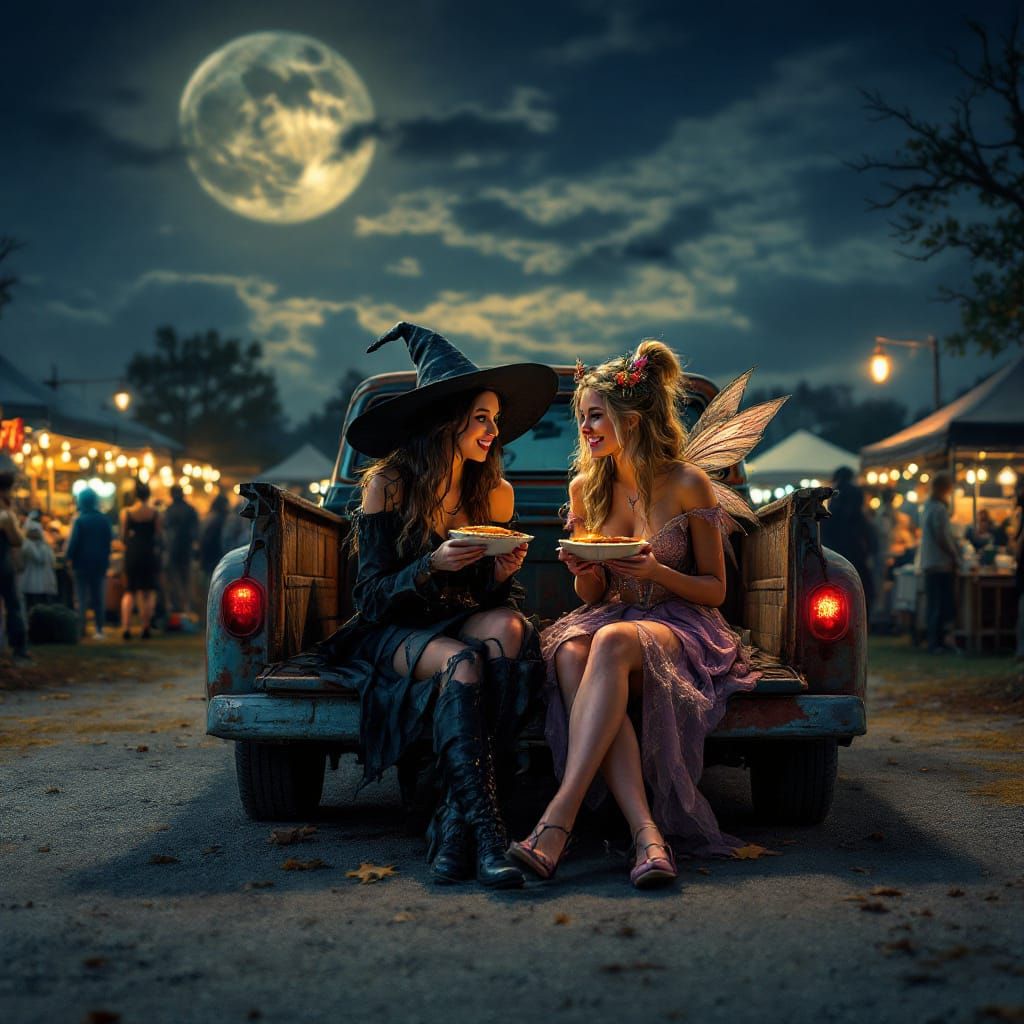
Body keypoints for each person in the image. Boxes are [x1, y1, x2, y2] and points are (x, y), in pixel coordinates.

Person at [259, 322, 558, 889]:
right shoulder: (388, 486)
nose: (495, 431)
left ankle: (452, 827)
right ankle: (490, 835)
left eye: (496, 419)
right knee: (461, 663)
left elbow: (491, 601)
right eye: (482, 418)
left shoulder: (495, 492)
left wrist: (499, 570)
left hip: (455, 616)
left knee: (512, 629)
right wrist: (429, 567)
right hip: (390, 631)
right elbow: (370, 597)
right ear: (446, 421)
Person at [507, 345, 785, 888]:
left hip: (681, 620)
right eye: (581, 416)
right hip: (611, 614)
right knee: (569, 649)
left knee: (609, 641)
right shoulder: (585, 487)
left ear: (630, 420)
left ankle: (557, 819)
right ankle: (646, 835)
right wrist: (580, 566)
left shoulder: (688, 484)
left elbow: (714, 590)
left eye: (595, 415)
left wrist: (656, 571)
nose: (584, 428)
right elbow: (593, 595)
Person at [820, 466, 875, 614]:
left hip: (838, 551)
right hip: (855, 548)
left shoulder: (836, 497)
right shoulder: (853, 496)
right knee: (861, 585)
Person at [918, 471, 961, 654]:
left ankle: (934, 641)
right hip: (940, 563)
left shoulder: (928, 506)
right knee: (941, 604)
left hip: (930, 562)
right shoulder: (939, 509)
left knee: (934, 604)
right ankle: (937, 642)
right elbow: (942, 536)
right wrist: (954, 555)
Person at [66, 487, 114, 640]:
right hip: (99, 564)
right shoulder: (104, 520)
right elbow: (109, 541)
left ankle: (81, 630)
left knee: (81, 598)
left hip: (81, 564)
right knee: (98, 598)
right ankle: (99, 629)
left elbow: (73, 543)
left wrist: (68, 558)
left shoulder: (80, 520)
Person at [120, 479, 160, 639]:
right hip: (148, 552)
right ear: (148, 494)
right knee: (148, 591)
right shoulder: (155, 513)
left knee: (129, 591)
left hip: (132, 552)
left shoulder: (127, 512)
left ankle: (126, 628)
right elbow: (158, 534)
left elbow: (123, 536)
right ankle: (145, 627)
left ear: (135, 495)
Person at [0, 454, 29, 661]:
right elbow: (17, 540)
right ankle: (19, 648)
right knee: (13, 606)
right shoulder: (5, 514)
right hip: (3, 563)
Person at [162, 484, 199, 615]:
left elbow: (164, 530)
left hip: (173, 550)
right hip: (186, 549)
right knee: (187, 579)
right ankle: (187, 607)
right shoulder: (190, 509)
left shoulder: (169, 510)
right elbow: (195, 531)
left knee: (174, 579)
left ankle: (178, 607)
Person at [18, 520, 58, 611]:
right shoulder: (29, 545)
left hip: (37, 584)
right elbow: (39, 558)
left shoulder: (36, 545)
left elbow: (50, 560)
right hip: (32, 584)